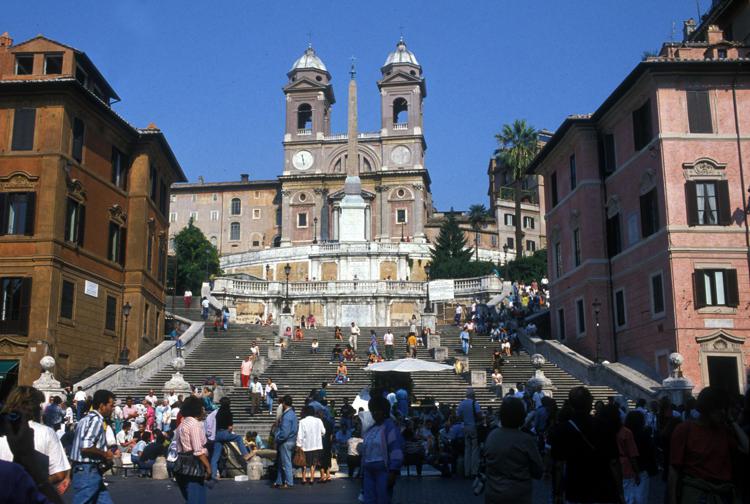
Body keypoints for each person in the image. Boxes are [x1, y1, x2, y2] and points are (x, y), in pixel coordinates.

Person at [668, 386, 749, 504]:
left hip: (723, 494)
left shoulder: (723, 431)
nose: (723, 412)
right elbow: (674, 469)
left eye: (725, 408)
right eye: (719, 408)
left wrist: (732, 421)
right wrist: (672, 500)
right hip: (697, 495)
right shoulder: (684, 429)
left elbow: (747, 448)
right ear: (707, 408)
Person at [550, 386, 622, 504]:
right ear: (590, 403)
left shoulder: (562, 429)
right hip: (602, 485)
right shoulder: (604, 426)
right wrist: (620, 492)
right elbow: (614, 462)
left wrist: (557, 493)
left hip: (575, 487)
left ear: (572, 405)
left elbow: (558, 465)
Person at [0, 386, 71, 496]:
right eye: (39, 406)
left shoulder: (3, 429)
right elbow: (59, 474)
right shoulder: (46, 433)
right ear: (34, 407)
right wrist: (39, 482)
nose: (41, 410)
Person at [482, 397, 543, 503]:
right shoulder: (526, 440)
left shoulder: (492, 436)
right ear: (521, 416)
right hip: (518, 495)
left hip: (494, 493)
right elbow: (538, 471)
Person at [70, 389, 116, 504]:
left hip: (85, 469)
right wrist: (105, 454)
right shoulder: (96, 421)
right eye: (111, 405)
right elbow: (85, 446)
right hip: (88, 470)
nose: (113, 408)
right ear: (102, 406)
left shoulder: (84, 420)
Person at [360, 395, 404, 504]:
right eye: (373, 410)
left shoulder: (390, 427)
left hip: (383, 471)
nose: (375, 413)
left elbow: (396, 450)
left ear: (384, 411)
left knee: (383, 500)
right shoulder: (370, 429)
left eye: (378, 410)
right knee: (368, 500)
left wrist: (393, 471)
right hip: (368, 471)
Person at [174, 395, 212, 504]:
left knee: (189, 496)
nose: (203, 410)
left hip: (181, 463)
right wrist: (208, 467)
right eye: (202, 408)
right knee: (197, 496)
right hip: (193, 464)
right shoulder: (194, 425)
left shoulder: (182, 423)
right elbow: (198, 450)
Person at [210, 397, 253, 479]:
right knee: (239, 438)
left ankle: (214, 475)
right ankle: (245, 454)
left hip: (218, 434)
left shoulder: (218, 412)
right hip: (225, 432)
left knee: (215, 457)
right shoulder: (228, 412)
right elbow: (230, 427)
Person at [456, 388, 482, 478]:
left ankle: (467, 471)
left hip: (465, 427)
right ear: (473, 395)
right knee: (474, 449)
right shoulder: (475, 403)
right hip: (473, 426)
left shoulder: (462, 403)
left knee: (467, 449)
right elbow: (479, 415)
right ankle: (474, 471)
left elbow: (458, 416)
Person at [273, 395, 298, 489]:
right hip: (292, 440)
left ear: (284, 403)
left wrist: (277, 438)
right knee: (282, 461)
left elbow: (284, 433)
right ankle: (279, 480)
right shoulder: (293, 414)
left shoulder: (287, 416)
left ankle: (289, 482)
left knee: (286, 463)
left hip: (286, 442)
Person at [297, 405, 326, 484]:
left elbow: (300, 435)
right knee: (313, 463)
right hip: (316, 445)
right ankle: (312, 478)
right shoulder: (319, 420)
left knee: (304, 463)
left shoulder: (302, 421)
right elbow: (323, 431)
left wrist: (298, 445)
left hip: (306, 445)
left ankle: (304, 478)